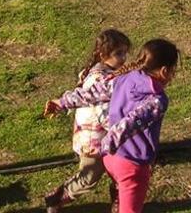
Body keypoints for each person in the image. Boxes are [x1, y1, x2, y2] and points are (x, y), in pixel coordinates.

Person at [45, 39, 180, 213]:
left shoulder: (124, 77)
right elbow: (130, 123)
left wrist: (62, 102)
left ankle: (119, 203)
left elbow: (93, 93)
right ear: (164, 71)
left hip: (110, 159)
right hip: (132, 164)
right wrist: (104, 146)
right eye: (173, 71)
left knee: (121, 189)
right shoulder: (157, 100)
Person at [42, 29, 132, 212]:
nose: (124, 58)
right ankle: (58, 197)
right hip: (94, 139)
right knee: (89, 176)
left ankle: (120, 201)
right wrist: (126, 125)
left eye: (125, 53)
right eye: (118, 53)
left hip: (110, 136)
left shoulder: (110, 71)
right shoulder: (98, 79)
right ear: (102, 54)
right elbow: (102, 113)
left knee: (121, 170)